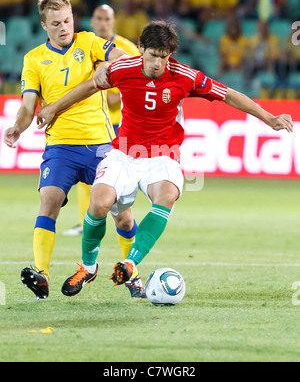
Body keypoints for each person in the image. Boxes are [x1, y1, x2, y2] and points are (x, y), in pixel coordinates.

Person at [37, 21, 293, 295]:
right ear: (141, 49)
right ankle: (88, 268)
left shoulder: (185, 76)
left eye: (164, 57)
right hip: (123, 152)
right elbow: (90, 86)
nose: (158, 63)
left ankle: (130, 263)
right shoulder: (123, 69)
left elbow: (228, 95)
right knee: (99, 205)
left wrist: (269, 118)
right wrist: (54, 108)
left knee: (167, 195)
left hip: (162, 156)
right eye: (152, 56)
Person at [3, 0, 143, 300]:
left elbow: (121, 55)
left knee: (123, 215)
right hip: (61, 146)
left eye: (68, 20)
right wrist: (17, 127)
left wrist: (110, 62)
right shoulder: (34, 59)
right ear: (44, 25)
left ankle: (132, 273)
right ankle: (42, 275)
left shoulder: (89, 42)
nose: (65, 27)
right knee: (49, 202)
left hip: (100, 145)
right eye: (56, 23)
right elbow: (28, 105)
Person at [62, 4, 145, 298]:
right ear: (92, 21)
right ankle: (89, 262)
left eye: (107, 18)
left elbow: (140, 81)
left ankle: (131, 269)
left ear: (113, 21)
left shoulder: (122, 49)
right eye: (98, 18)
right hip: (89, 130)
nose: (102, 22)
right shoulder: (81, 46)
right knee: (92, 190)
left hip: (121, 130)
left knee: (123, 212)